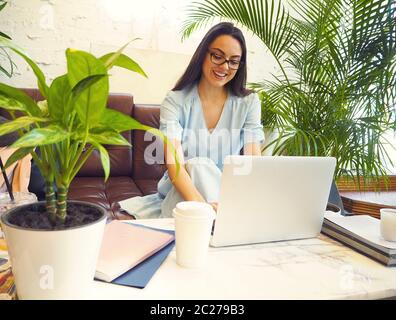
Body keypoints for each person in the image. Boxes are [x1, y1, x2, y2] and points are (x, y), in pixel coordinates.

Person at [122, 22, 264, 219]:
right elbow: (175, 164)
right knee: (198, 165)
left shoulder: (249, 103)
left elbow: (253, 160)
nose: (224, 67)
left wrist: (237, 200)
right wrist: (203, 206)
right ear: (203, 54)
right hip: (184, 191)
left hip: (224, 194)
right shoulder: (175, 100)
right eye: (217, 56)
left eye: (233, 61)